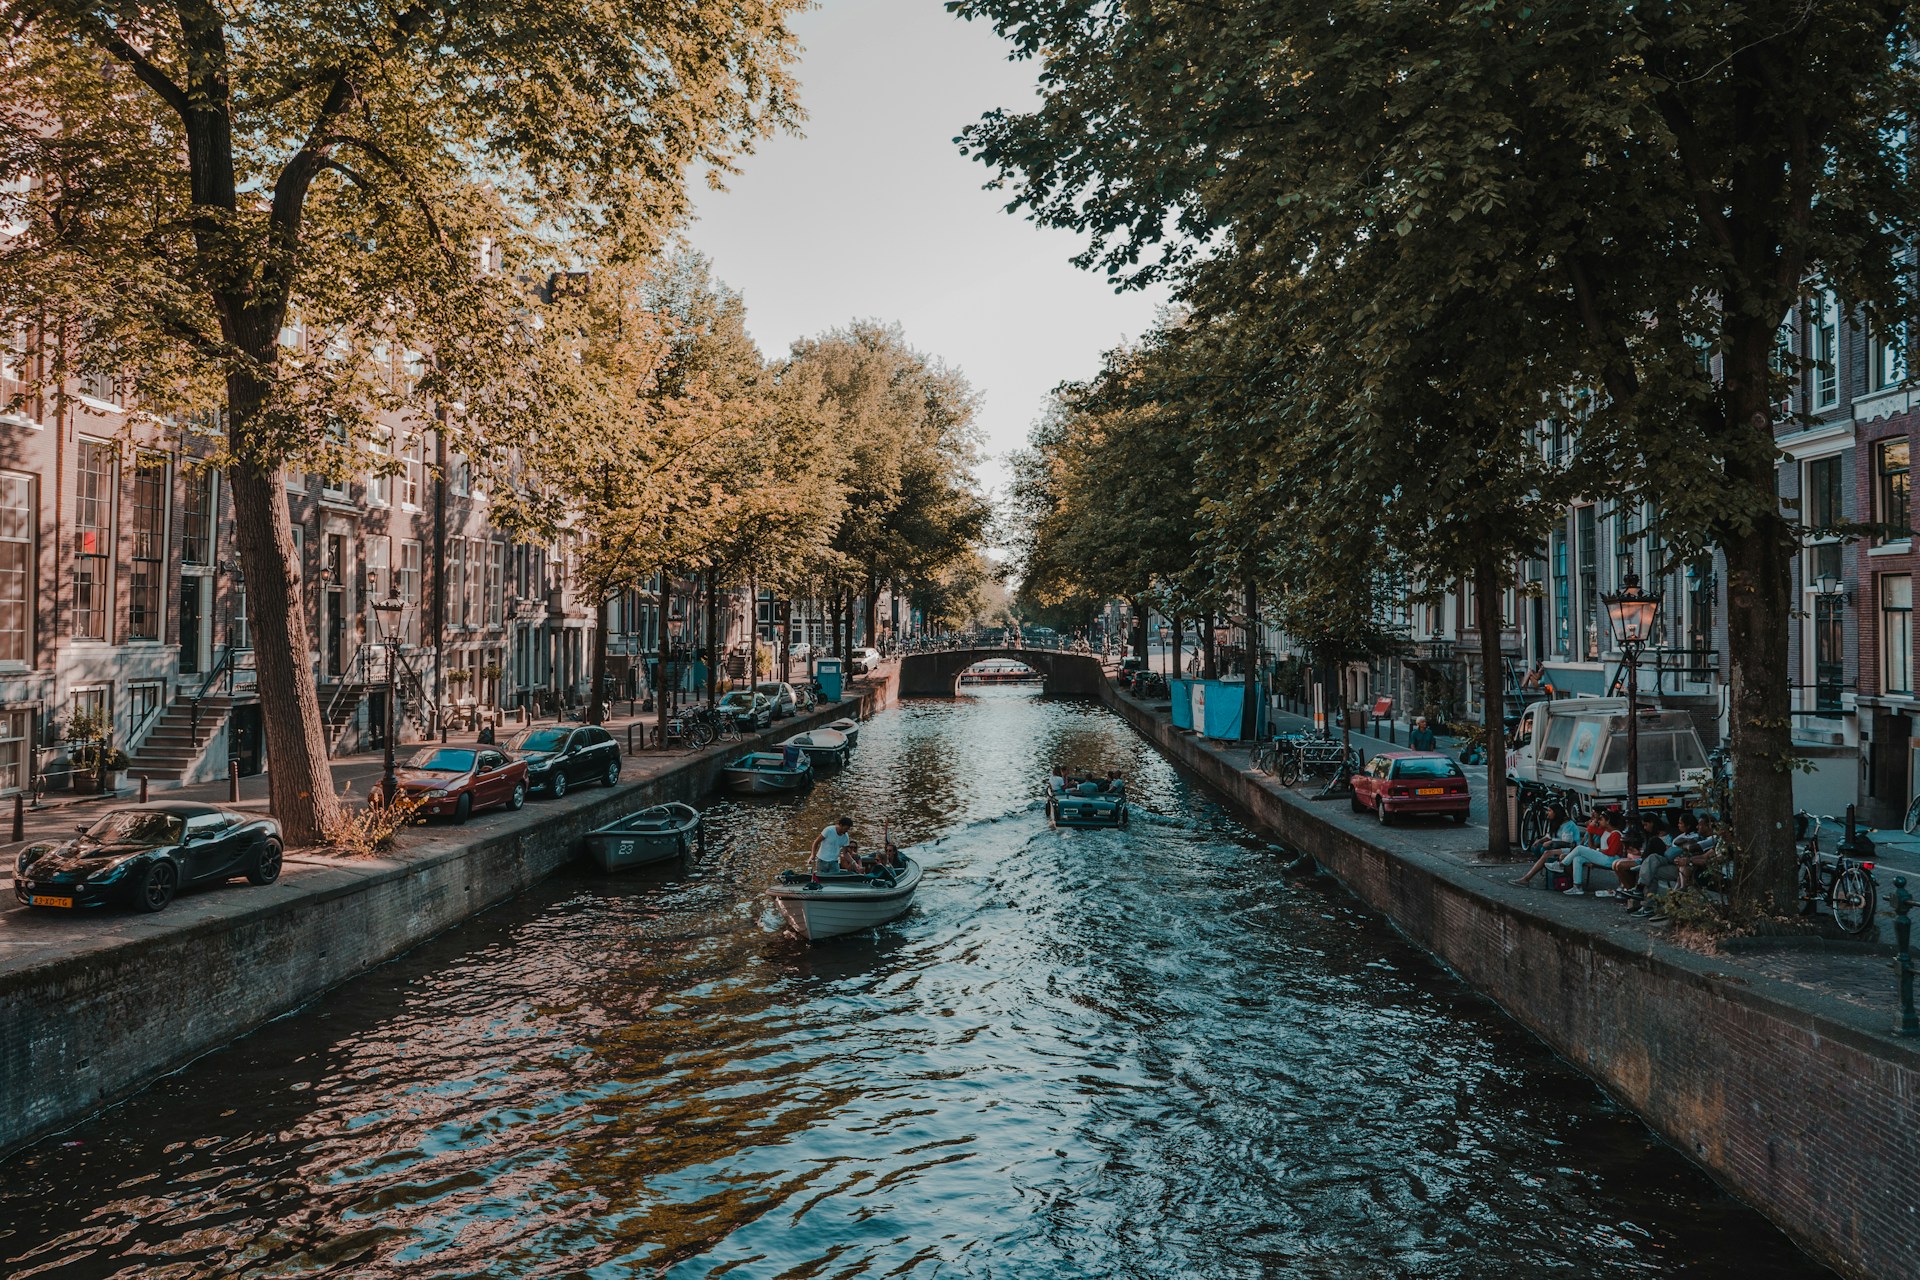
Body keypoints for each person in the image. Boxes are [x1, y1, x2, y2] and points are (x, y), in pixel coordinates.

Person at [1509, 804, 1581, 886]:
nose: (1548, 813)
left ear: (1556, 813)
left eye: (1550, 811)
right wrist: (1540, 840)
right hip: (1559, 847)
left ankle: (1526, 878)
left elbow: (1567, 843)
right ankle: (1547, 871)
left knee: (1547, 853)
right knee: (1537, 848)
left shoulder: (1568, 825)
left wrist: (1551, 842)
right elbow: (1549, 836)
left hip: (1571, 849)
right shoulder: (1556, 822)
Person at [1565, 809, 1623, 895]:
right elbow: (1591, 829)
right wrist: (1594, 821)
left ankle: (1562, 864)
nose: (1599, 821)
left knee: (1580, 848)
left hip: (1611, 859)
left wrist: (1598, 850)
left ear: (1608, 821)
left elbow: (1611, 852)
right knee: (1578, 859)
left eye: (1601, 819)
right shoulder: (1605, 831)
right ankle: (1577, 886)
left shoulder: (1616, 834)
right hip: (1605, 857)